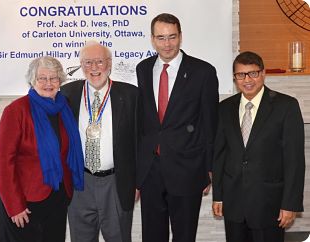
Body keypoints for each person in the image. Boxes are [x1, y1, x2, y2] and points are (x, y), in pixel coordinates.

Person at [136, 13, 219, 242]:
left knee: (184, 236)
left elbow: (210, 123)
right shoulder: (143, 69)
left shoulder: (203, 72)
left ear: (180, 37)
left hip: (188, 169)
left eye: (172, 37)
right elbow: (145, 122)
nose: (167, 44)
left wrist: (209, 169)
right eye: (161, 38)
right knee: (152, 235)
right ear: (152, 39)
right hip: (151, 170)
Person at [212, 51, 305, 242]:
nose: (247, 80)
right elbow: (220, 156)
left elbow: (294, 160)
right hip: (234, 205)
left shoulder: (286, 106)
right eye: (240, 75)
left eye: (253, 73)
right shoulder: (224, 108)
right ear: (235, 78)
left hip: (269, 204)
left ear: (263, 74)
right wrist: (218, 196)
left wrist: (290, 204)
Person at [0, 56, 84, 242]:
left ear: (61, 81)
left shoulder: (64, 108)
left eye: (54, 78)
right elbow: (3, 162)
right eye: (42, 78)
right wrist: (14, 205)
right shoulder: (16, 111)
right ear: (32, 80)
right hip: (24, 201)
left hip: (57, 197)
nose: (48, 83)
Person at [61, 40, 138, 242]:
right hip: (80, 182)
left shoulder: (130, 95)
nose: (94, 68)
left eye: (99, 62)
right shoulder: (68, 94)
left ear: (110, 64)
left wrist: (138, 183)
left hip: (116, 182)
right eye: (88, 62)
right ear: (81, 65)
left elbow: (139, 141)